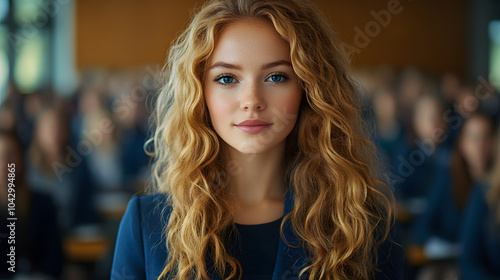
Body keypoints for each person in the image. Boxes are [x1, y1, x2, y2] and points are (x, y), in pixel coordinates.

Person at [112, 0, 404, 279]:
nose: (251, 101)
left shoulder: (363, 223)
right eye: (227, 78)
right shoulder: (146, 224)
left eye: (276, 77)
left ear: (309, 90)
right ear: (201, 94)